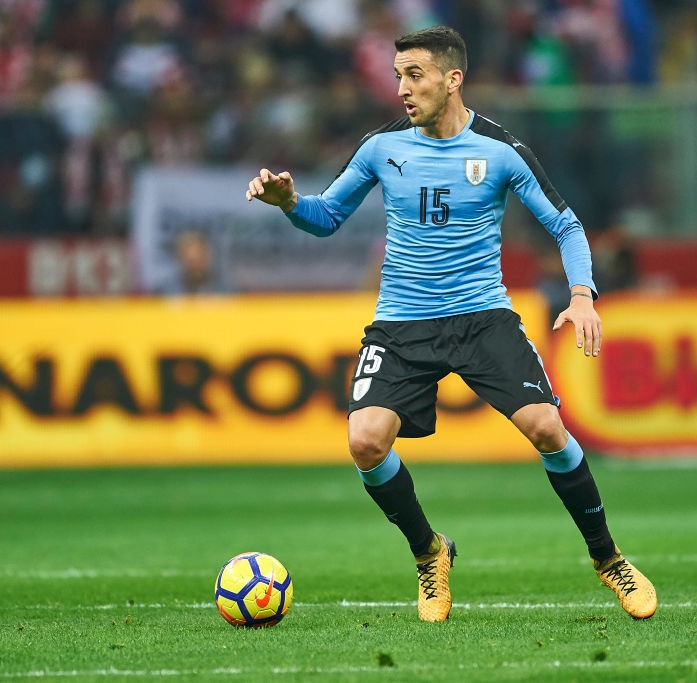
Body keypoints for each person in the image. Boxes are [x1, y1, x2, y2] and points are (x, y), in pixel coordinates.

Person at [245, 25, 655, 622]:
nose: (403, 90)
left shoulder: (499, 150)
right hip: (402, 324)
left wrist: (583, 295)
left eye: (415, 76)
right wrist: (288, 203)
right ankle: (430, 553)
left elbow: (566, 226)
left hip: (482, 318)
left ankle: (609, 558)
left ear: (451, 79)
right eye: (398, 78)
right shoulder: (381, 147)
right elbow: (327, 216)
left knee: (547, 427)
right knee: (364, 441)